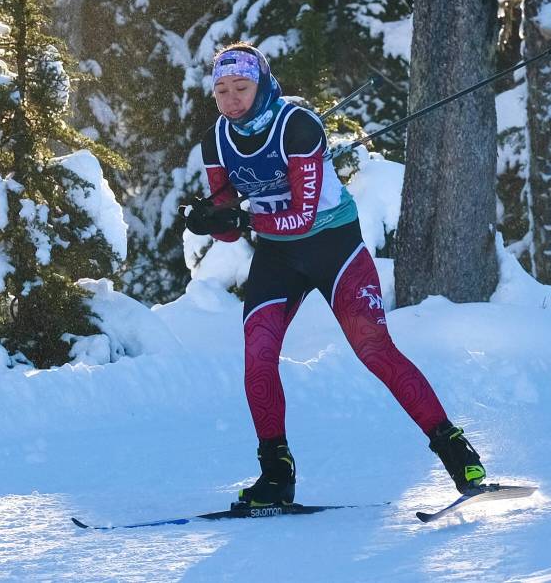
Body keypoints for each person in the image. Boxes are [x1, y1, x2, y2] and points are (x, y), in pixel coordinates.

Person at [184, 42, 486, 508]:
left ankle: (456, 452)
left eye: (241, 87)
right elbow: (227, 221)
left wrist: (242, 221)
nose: (231, 99)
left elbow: (302, 217)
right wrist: (213, 220)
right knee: (258, 356)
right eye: (221, 90)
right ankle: (275, 475)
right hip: (278, 258)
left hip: (334, 247)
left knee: (374, 350)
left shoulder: (298, 126)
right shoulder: (216, 141)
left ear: (261, 84)